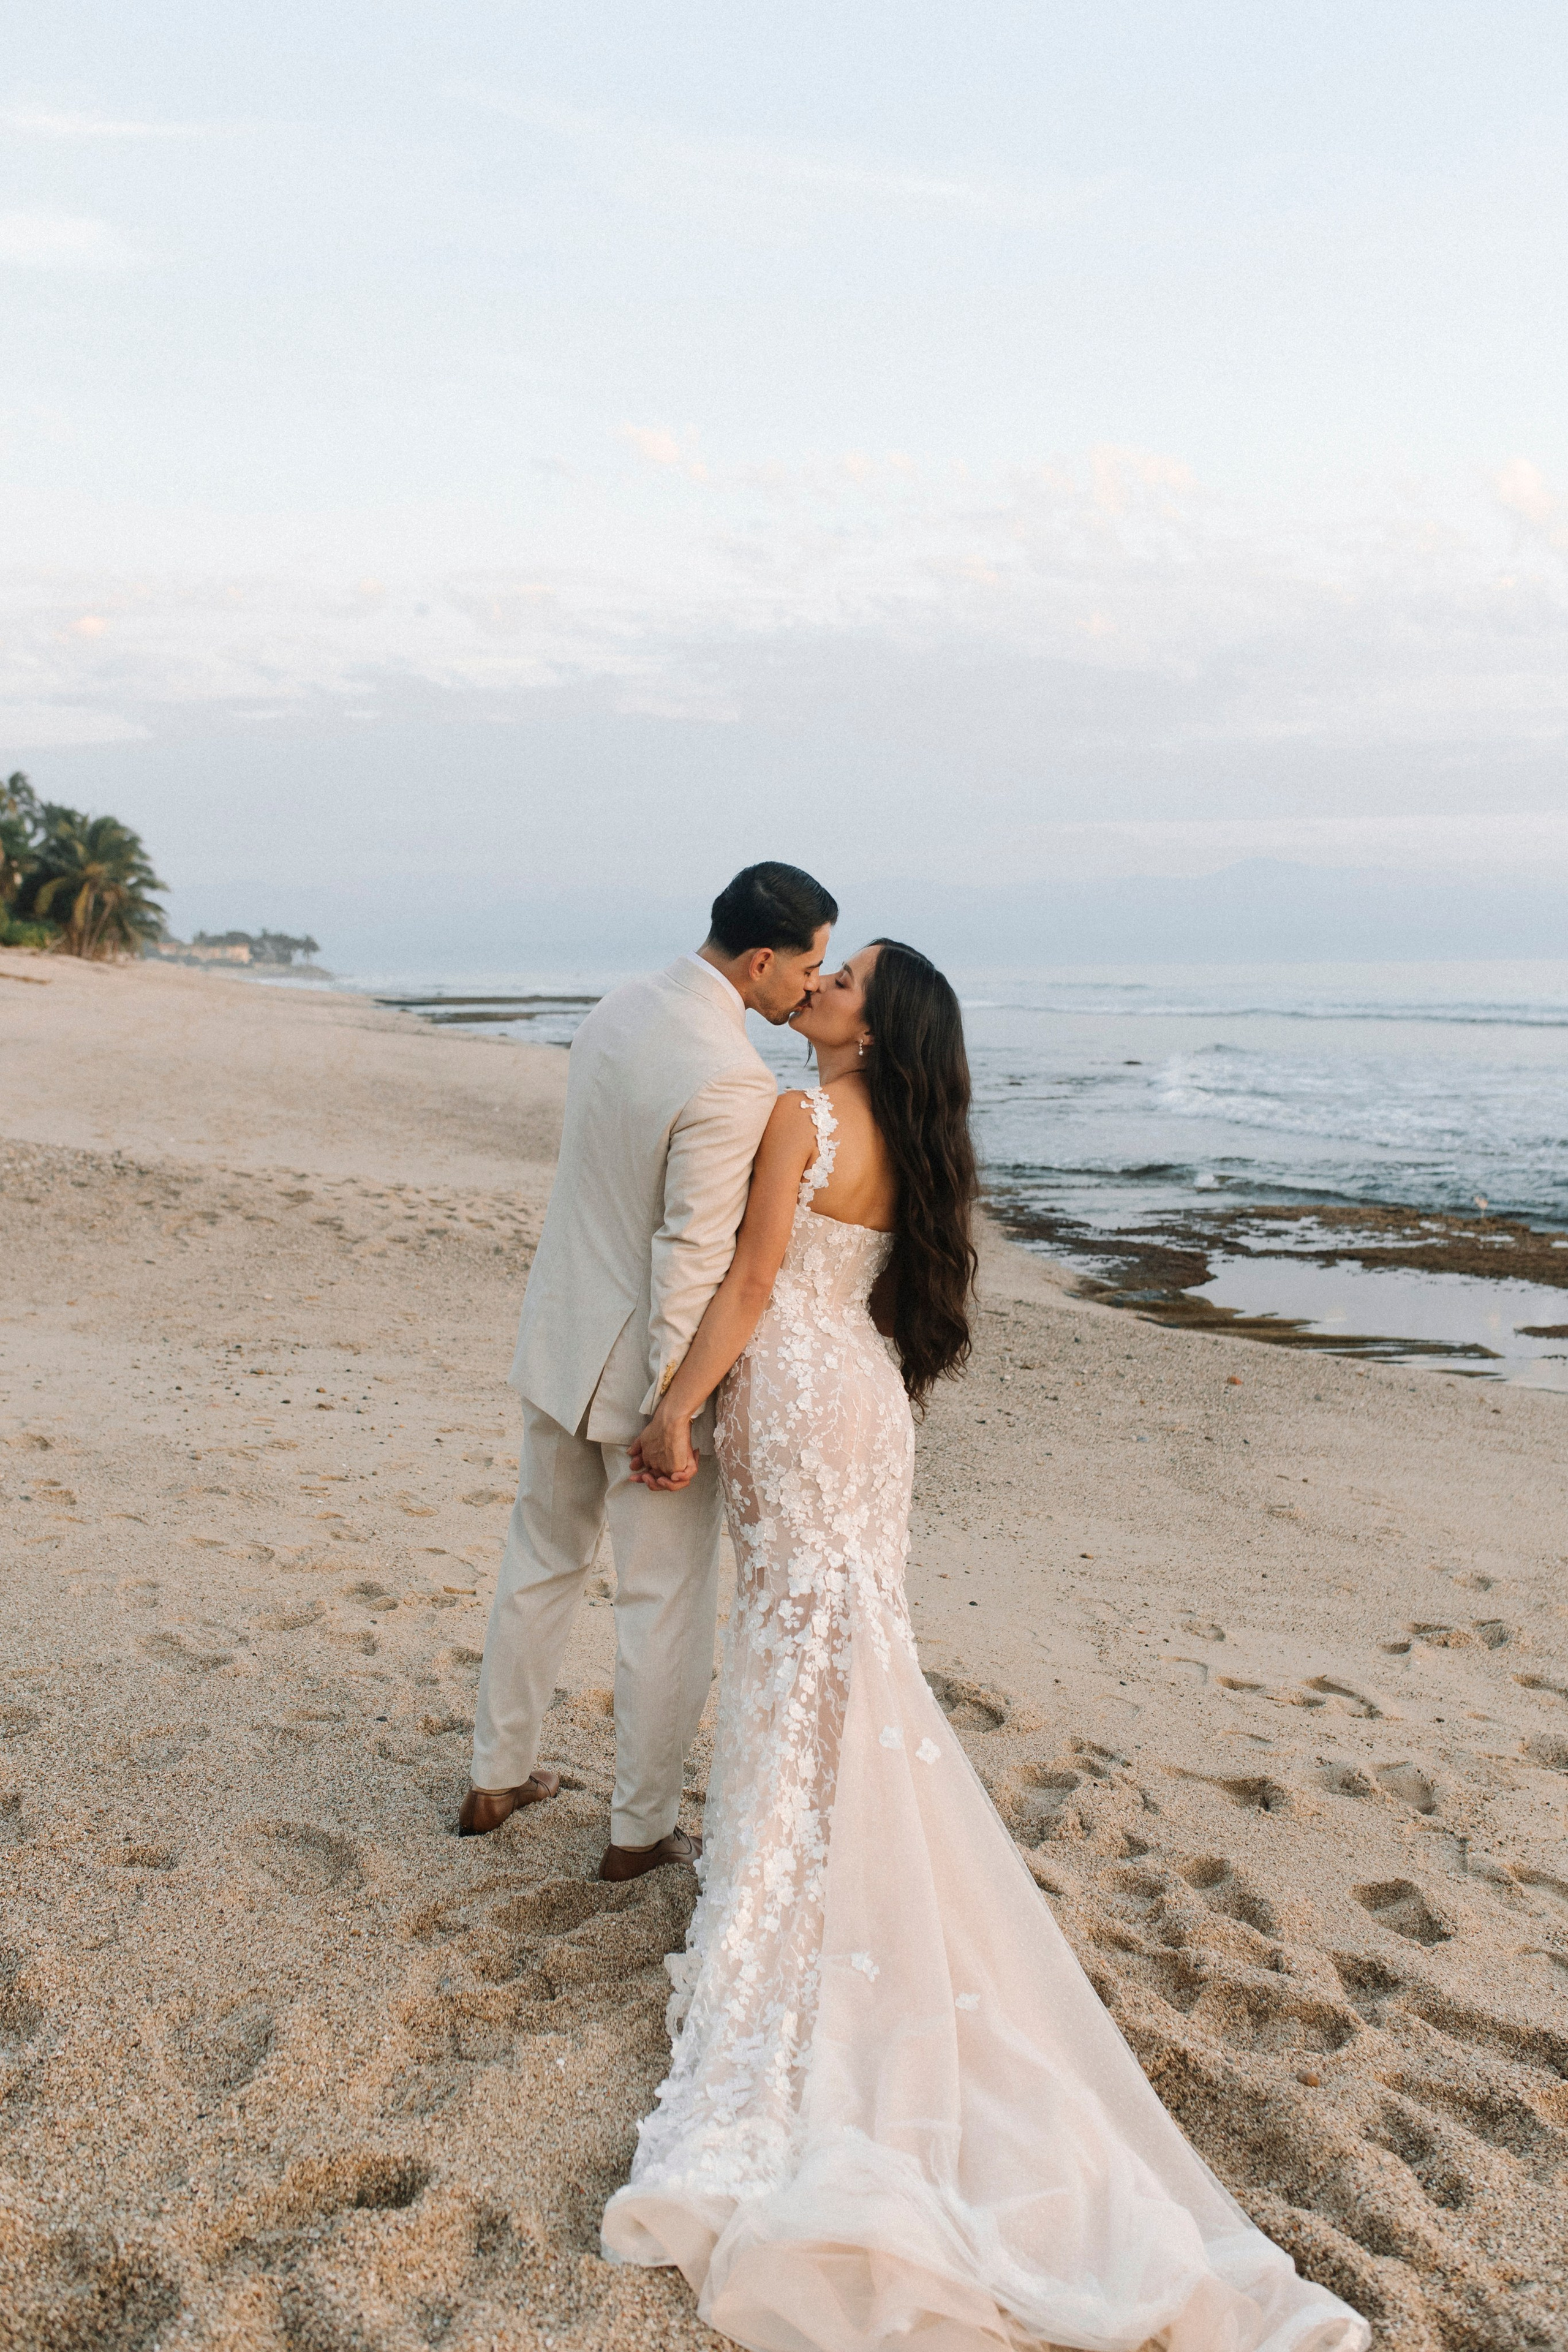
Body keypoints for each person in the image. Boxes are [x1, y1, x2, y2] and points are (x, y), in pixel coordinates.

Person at [601, 941, 1370, 2352]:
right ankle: (821, 1849)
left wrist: (671, 1410)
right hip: (865, 1401)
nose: (819, 989)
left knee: (794, 1645)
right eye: (825, 973)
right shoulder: (915, 1142)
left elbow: (754, 1282)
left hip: (793, 1389)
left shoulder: (798, 1115)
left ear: (873, 1025)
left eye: (845, 982)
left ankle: (790, 1873)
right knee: (849, 1648)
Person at [459, 861, 836, 1883]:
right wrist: (676, 1406)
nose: (812, 987)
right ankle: (639, 1833)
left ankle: (495, 1777)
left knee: (540, 1559)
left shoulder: (619, 1007)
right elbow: (690, 1254)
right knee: (662, 1603)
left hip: (560, 1337)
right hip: (638, 1375)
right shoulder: (733, 1076)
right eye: (809, 966)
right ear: (762, 960)